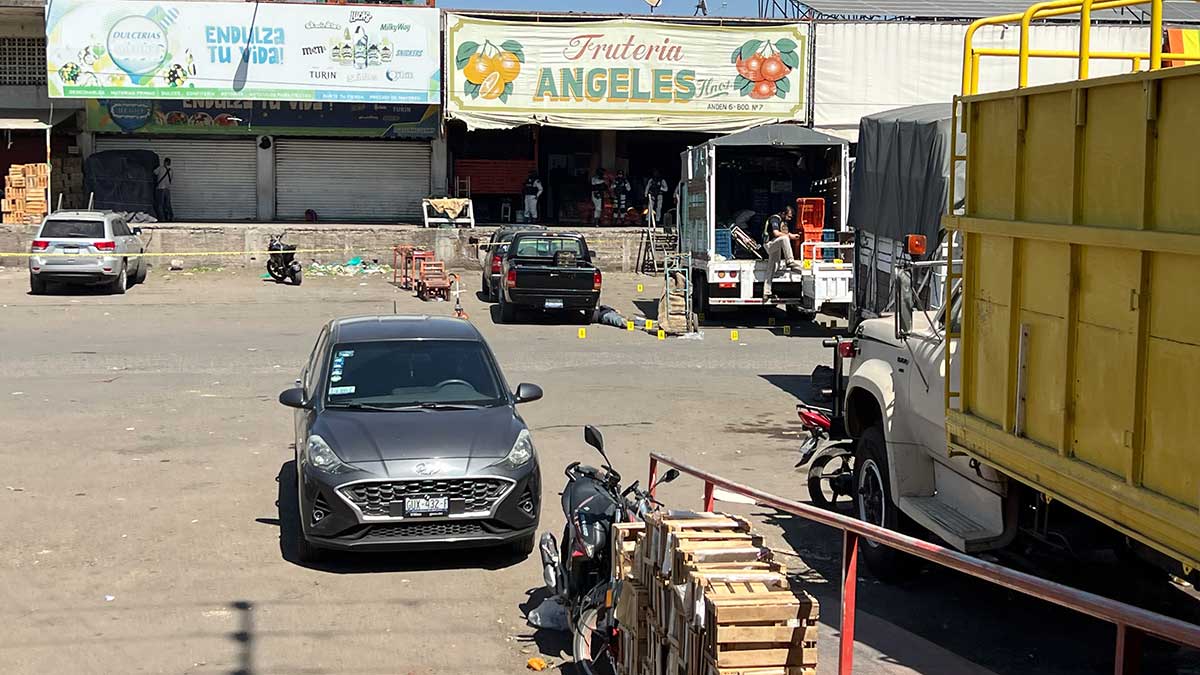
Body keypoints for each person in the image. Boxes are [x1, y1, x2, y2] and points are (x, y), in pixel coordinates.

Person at [763, 219, 804, 298]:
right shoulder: (775, 219)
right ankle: (789, 261)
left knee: (772, 267)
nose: (790, 217)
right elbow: (776, 233)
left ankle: (766, 292)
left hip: (776, 244)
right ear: (783, 213)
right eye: (789, 216)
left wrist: (790, 235)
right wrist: (789, 236)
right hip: (769, 244)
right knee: (784, 238)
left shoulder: (783, 222)